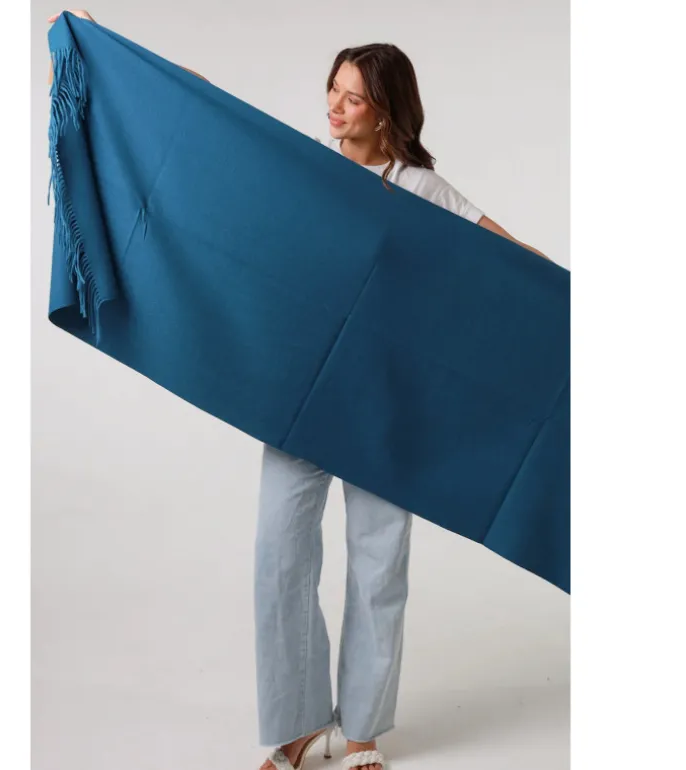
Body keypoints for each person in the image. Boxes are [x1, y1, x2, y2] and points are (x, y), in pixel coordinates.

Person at [47, 12, 552, 770]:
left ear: (385, 110)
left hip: (387, 406)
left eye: (353, 97)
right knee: (279, 555)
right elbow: (213, 120)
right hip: (301, 397)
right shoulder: (307, 168)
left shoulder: (421, 188)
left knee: (378, 565)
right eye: (333, 89)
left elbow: (508, 257)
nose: (335, 106)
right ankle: (296, 726)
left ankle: (363, 733)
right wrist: (115, 56)